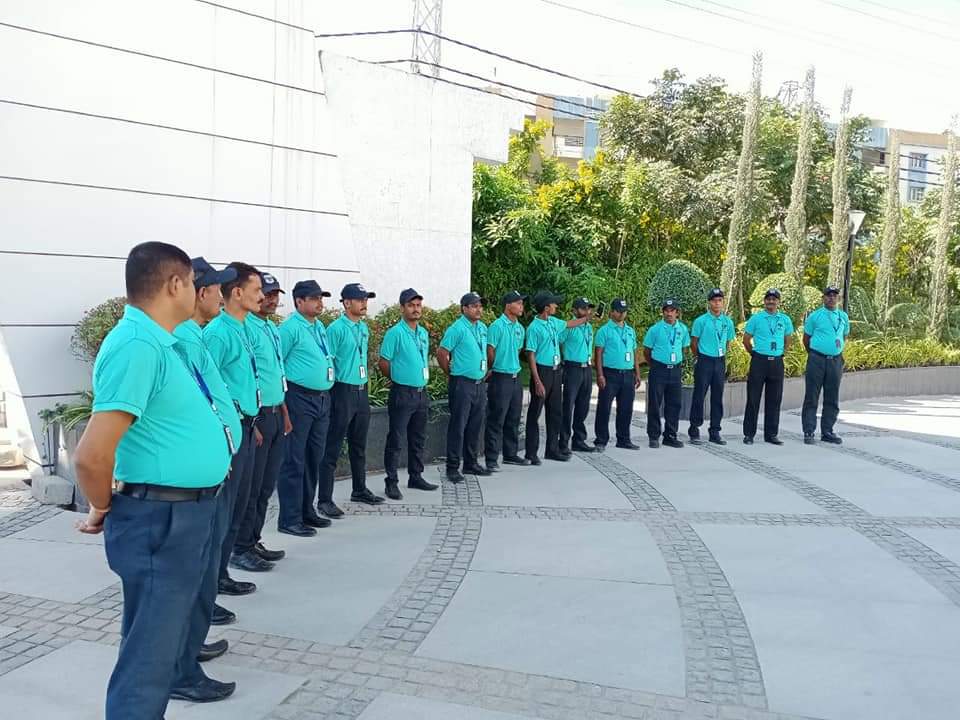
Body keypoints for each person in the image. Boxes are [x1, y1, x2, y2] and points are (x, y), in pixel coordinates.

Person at [73, 242, 236, 718]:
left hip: (183, 512)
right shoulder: (137, 346)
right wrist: (103, 505)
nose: (202, 291)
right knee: (148, 656)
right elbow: (91, 456)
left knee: (159, 647)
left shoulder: (162, 341)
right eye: (194, 282)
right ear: (175, 284)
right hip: (161, 517)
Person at [169, 257, 242, 702]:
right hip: (190, 488)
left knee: (206, 565)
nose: (222, 296)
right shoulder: (179, 341)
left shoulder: (194, 336)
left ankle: (190, 650)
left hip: (215, 471)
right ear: (200, 292)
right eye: (217, 289)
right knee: (192, 574)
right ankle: (181, 668)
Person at [204, 262, 264, 596]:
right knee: (225, 509)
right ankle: (213, 579)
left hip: (247, 425)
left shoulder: (243, 328)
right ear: (237, 293)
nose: (262, 296)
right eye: (257, 290)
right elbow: (207, 389)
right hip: (230, 431)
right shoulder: (218, 333)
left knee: (240, 504)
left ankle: (222, 572)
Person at [232, 272, 291, 569]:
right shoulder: (246, 328)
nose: (270, 299)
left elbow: (275, 375)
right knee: (251, 488)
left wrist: (284, 412)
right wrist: (253, 421)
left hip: (275, 412)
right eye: (265, 293)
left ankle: (253, 540)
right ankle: (240, 547)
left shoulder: (270, 327)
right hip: (257, 417)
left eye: (275, 295)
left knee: (266, 486)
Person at [318, 282, 385, 510]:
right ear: (347, 303)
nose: (364, 303)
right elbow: (329, 361)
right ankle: (325, 499)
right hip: (342, 390)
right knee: (333, 446)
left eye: (366, 299)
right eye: (360, 300)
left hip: (361, 389)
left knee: (359, 445)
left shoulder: (363, 327)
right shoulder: (335, 329)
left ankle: (359, 489)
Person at [276, 280, 335, 533]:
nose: (320, 303)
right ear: (299, 301)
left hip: (321, 399)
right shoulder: (290, 328)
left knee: (313, 457)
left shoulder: (319, 326)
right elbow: (278, 364)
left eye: (321, 298)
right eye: (314, 298)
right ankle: (289, 519)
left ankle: (306, 510)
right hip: (299, 398)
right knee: (294, 459)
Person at [378, 288, 439, 499]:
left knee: (418, 438)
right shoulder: (395, 333)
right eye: (411, 305)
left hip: (421, 393)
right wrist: (398, 378)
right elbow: (384, 362)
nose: (415, 309)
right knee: (396, 439)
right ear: (402, 308)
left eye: (418, 305)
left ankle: (416, 476)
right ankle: (391, 481)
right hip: (402, 393)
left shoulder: (422, 333)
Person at [524, 291, 592, 463]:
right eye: (553, 304)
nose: (556, 306)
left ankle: (552, 450)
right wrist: (537, 381)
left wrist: (587, 318)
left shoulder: (554, 321)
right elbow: (530, 354)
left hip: (556, 371)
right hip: (542, 371)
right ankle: (531, 453)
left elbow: (570, 323)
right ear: (546, 307)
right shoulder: (534, 328)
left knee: (555, 412)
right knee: (535, 412)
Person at [438, 292, 490, 482]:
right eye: (474, 306)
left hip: (479, 384)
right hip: (462, 383)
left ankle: (471, 463)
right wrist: (450, 373)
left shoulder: (482, 327)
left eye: (480, 306)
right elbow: (442, 352)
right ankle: (452, 467)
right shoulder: (457, 329)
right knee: (458, 426)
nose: (479, 309)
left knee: (475, 425)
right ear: (464, 308)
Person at [742, 288, 794, 445]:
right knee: (753, 398)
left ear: (778, 302)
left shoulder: (784, 319)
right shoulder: (756, 318)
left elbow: (788, 339)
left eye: (774, 299)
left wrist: (782, 353)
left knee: (775, 399)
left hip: (776, 362)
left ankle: (771, 434)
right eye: (768, 299)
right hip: (759, 361)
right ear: (764, 301)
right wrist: (754, 353)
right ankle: (749, 434)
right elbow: (746, 339)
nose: (771, 301)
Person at [484, 291, 529, 469]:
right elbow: (490, 351)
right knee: (497, 418)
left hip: (515, 377)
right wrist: (493, 367)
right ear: (508, 305)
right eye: (518, 303)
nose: (521, 307)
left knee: (514, 416)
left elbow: (517, 351)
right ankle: (491, 458)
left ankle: (510, 454)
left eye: (522, 304)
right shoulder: (497, 326)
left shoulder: (520, 328)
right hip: (500, 377)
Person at [801, 285, 850, 445]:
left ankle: (827, 431)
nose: (831, 298)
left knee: (832, 397)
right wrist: (815, 353)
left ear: (838, 298)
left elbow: (844, 336)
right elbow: (806, 338)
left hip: (835, 360)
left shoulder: (843, 316)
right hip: (817, 359)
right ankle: (809, 431)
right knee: (812, 396)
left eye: (834, 295)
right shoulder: (815, 316)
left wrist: (836, 350)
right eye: (828, 295)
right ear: (823, 298)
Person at [688, 288, 736, 445]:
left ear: (723, 302)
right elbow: (694, 342)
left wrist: (721, 355)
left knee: (717, 397)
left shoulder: (727, 322)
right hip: (704, 360)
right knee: (699, 395)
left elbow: (727, 341)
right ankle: (694, 429)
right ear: (709, 303)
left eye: (720, 300)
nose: (717, 303)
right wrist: (699, 357)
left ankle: (715, 431)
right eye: (714, 300)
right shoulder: (701, 321)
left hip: (719, 361)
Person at [593, 298, 641, 451]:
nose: (622, 314)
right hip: (610, 374)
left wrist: (637, 372)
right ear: (612, 312)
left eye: (624, 312)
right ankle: (601, 440)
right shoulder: (604, 331)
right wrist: (600, 375)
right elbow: (598, 354)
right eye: (619, 311)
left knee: (626, 408)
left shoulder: (630, 330)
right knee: (604, 407)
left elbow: (634, 353)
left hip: (627, 374)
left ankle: (623, 439)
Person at [643, 298, 691, 448]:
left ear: (677, 313)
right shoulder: (655, 329)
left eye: (672, 311)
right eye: (666, 311)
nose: (669, 314)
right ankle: (653, 436)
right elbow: (647, 351)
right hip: (659, 369)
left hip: (675, 370)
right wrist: (655, 365)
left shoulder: (682, 329)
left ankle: (670, 435)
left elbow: (684, 348)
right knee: (655, 403)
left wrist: (676, 360)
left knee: (674, 403)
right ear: (663, 312)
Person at [560, 297, 597, 454]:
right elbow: (558, 341)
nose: (587, 311)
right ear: (574, 310)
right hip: (572, 368)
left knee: (583, 405)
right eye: (583, 308)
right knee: (568, 405)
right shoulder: (569, 327)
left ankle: (579, 440)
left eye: (588, 308)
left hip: (586, 368)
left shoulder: (589, 327)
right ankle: (563, 441)